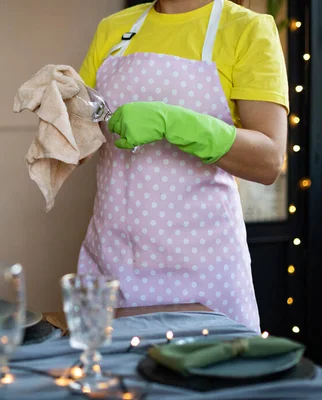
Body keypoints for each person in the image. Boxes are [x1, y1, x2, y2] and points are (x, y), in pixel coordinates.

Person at [75, 0, 289, 334]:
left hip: (203, 273)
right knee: (114, 384)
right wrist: (59, 113)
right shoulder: (113, 28)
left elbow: (269, 161)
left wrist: (174, 122)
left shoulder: (246, 29)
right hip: (112, 264)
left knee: (204, 382)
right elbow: (79, 148)